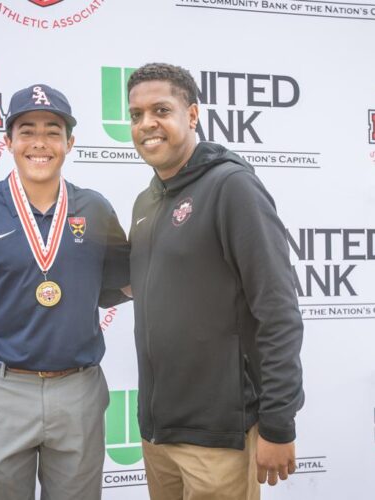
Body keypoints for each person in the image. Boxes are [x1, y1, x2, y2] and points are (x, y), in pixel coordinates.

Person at [0, 83, 130, 500]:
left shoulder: (95, 208)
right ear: (8, 141)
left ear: (69, 142)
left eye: (52, 131)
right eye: (27, 130)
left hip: (78, 390)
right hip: (2, 389)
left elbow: (123, 284)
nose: (39, 143)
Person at [127, 63, 304, 500]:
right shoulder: (146, 201)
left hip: (219, 436)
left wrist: (278, 423)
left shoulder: (232, 187)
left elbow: (278, 310)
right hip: (157, 436)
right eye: (135, 114)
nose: (146, 124)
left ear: (192, 115)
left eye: (161, 110)